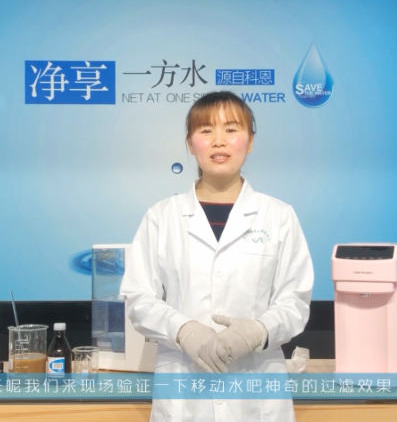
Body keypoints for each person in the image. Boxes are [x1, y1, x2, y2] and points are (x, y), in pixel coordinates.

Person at [120, 91, 314, 422]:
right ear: (190, 143)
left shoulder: (279, 216)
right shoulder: (162, 217)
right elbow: (139, 298)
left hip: (256, 396)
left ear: (250, 141)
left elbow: (294, 301)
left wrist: (258, 332)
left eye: (231, 129)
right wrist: (183, 331)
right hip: (184, 395)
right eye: (206, 130)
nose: (218, 140)